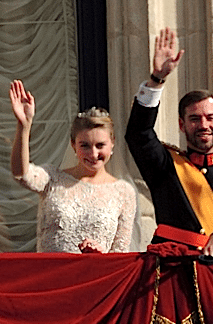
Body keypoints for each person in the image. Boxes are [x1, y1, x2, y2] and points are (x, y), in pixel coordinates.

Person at [125, 28, 213, 266]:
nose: (204, 125)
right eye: (194, 119)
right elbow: (138, 134)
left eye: (210, 118)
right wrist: (157, 80)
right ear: (182, 124)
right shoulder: (165, 165)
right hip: (174, 275)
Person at [9, 80, 136, 253]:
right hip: (53, 274)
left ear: (112, 143)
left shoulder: (124, 193)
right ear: (73, 145)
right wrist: (24, 126)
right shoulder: (52, 178)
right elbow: (21, 173)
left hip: (96, 276)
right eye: (85, 145)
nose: (93, 154)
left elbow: (121, 254)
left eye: (100, 145)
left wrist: (101, 255)